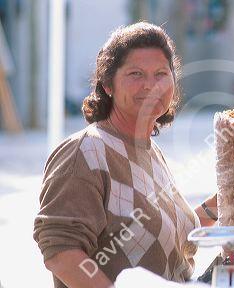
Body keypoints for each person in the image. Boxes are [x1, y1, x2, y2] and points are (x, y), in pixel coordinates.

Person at [33, 22, 218, 288]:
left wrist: (224, 200)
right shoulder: (85, 151)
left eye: (161, 74)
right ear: (108, 84)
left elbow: (170, 233)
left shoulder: (152, 153)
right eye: (136, 74)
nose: (151, 86)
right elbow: (61, 253)